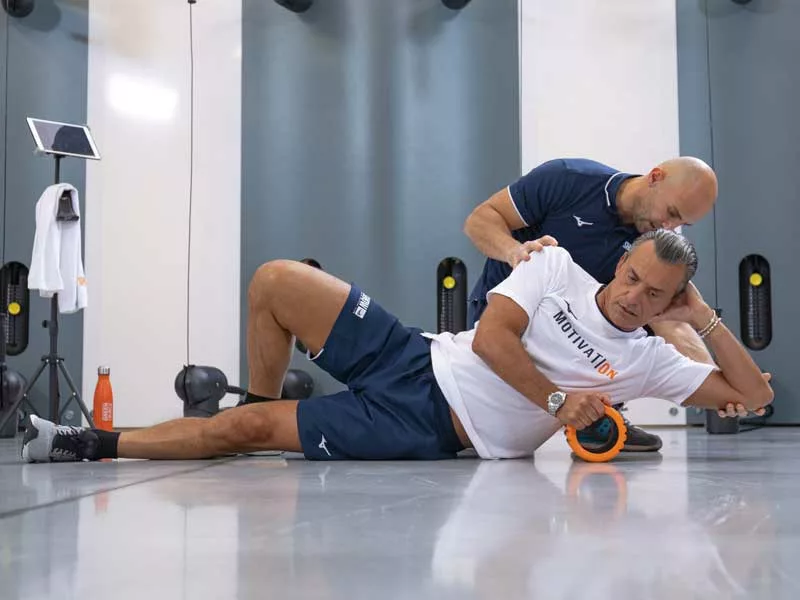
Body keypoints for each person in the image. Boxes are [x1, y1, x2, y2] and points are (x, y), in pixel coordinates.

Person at [21, 230, 771, 463]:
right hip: (415, 353)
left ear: (671, 300)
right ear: (622, 261)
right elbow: (493, 339)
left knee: (239, 430)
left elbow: (753, 394)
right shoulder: (556, 268)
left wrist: (705, 319)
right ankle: (262, 408)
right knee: (276, 280)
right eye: (632, 275)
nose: (634, 296)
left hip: (426, 425)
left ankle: (84, 444)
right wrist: (555, 400)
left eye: (655, 294)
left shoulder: (648, 360)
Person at [463, 157, 719, 452]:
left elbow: (673, 325)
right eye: (671, 213)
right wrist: (515, 252)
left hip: (564, 341)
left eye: (681, 223)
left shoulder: (651, 246)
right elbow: (481, 219)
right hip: (504, 319)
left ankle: (599, 419)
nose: (669, 226)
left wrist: (716, 383)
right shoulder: (569, 179)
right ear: (655, 177)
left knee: (640, 310)